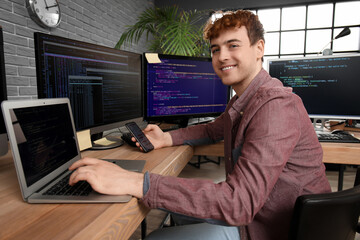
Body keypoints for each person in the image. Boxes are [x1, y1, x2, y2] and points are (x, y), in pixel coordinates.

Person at [69, 9, 331, 240]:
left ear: (259, 48)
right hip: (258, 213)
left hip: (271, 228)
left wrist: (136, 182)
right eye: (216, 49)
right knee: (175, 210)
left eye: (233, 45)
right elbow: (212, 129)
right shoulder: (244, 100)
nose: (222, 56)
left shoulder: (276, 107)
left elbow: (238, 203)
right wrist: (166, 138)